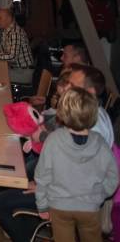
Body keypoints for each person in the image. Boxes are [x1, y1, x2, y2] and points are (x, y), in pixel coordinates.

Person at [34, 87, 118, 242]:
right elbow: (113, 176)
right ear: (93, 114)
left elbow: (42, 176)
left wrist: (42, 205)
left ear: (61, 113)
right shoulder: (100, 143)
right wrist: (100, 195)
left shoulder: (53, 140)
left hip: (59, 206)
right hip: (90, 208)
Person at [0, 8, 34, 85]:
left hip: (22, 72)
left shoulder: (15, 32)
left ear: (9, 19)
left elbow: (12, 57)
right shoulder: (7, 30)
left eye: (0, 18)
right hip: (15, 69)